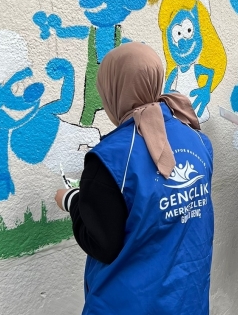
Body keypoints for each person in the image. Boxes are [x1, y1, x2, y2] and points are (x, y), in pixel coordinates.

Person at [54, 42, 214, 315]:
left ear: (115, 89)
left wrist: (72, 200)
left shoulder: (109, 158)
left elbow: (101, 243)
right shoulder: (198, 139)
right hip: (188, 299)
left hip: (128, 303)